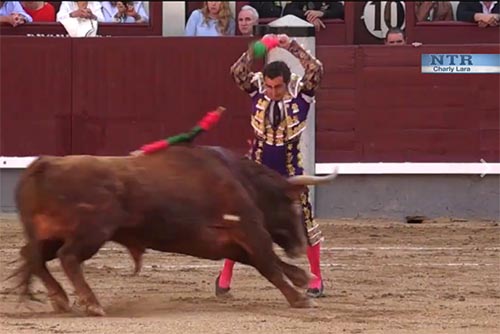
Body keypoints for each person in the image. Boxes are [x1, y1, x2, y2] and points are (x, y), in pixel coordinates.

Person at [215, 34, 326, 298]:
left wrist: (292, 47)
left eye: (277, 87)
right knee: (241, 222)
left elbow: (316, 69)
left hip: (289, 172)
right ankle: (225, 277)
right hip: (256, 173)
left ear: (287, 84)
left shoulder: (302, 94)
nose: (273, 92)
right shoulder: (256, 89)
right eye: (269, 86)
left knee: (304, 221)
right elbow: (237, 70)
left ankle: (316, 279)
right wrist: (259, 47)